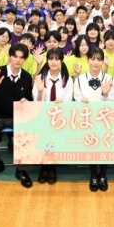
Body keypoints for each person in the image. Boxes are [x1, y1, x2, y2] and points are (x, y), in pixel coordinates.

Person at [0, 43, 34, 187]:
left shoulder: (27, 77)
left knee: (28, 132)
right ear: (10, 56)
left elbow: (29, 97)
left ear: (25, 59)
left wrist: (26, 100)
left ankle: (22, 170)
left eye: (21, 57)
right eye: (15, 56)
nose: (18, 60)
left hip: (18, 116)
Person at [74, 47, 114, 192]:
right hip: (87, 118)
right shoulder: (80, 79)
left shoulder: (109, 79)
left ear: (103, 61)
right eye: (93, 59)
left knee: (104, 145)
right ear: (88, 60)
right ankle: (93, 174)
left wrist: (105, 95)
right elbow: (77, 97)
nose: (96, 62)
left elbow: (113, 101)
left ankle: (103, 175)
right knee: (91, 144)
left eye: (99, 59)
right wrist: (82, 101)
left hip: (105, 119)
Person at [32, 49, 73, 185]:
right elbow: (37, 103)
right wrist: (40, 91)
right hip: (43, 115)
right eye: (50, 59)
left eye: (56, 59)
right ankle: (44, 167)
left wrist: (61, 104)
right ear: (47, 60)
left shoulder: (67, 79)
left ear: (61, 61)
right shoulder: (40, 78)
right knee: (44, 132)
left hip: (60, 115)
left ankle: (52, 167)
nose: (53, 62)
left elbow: (68, 100)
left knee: (54, 134)